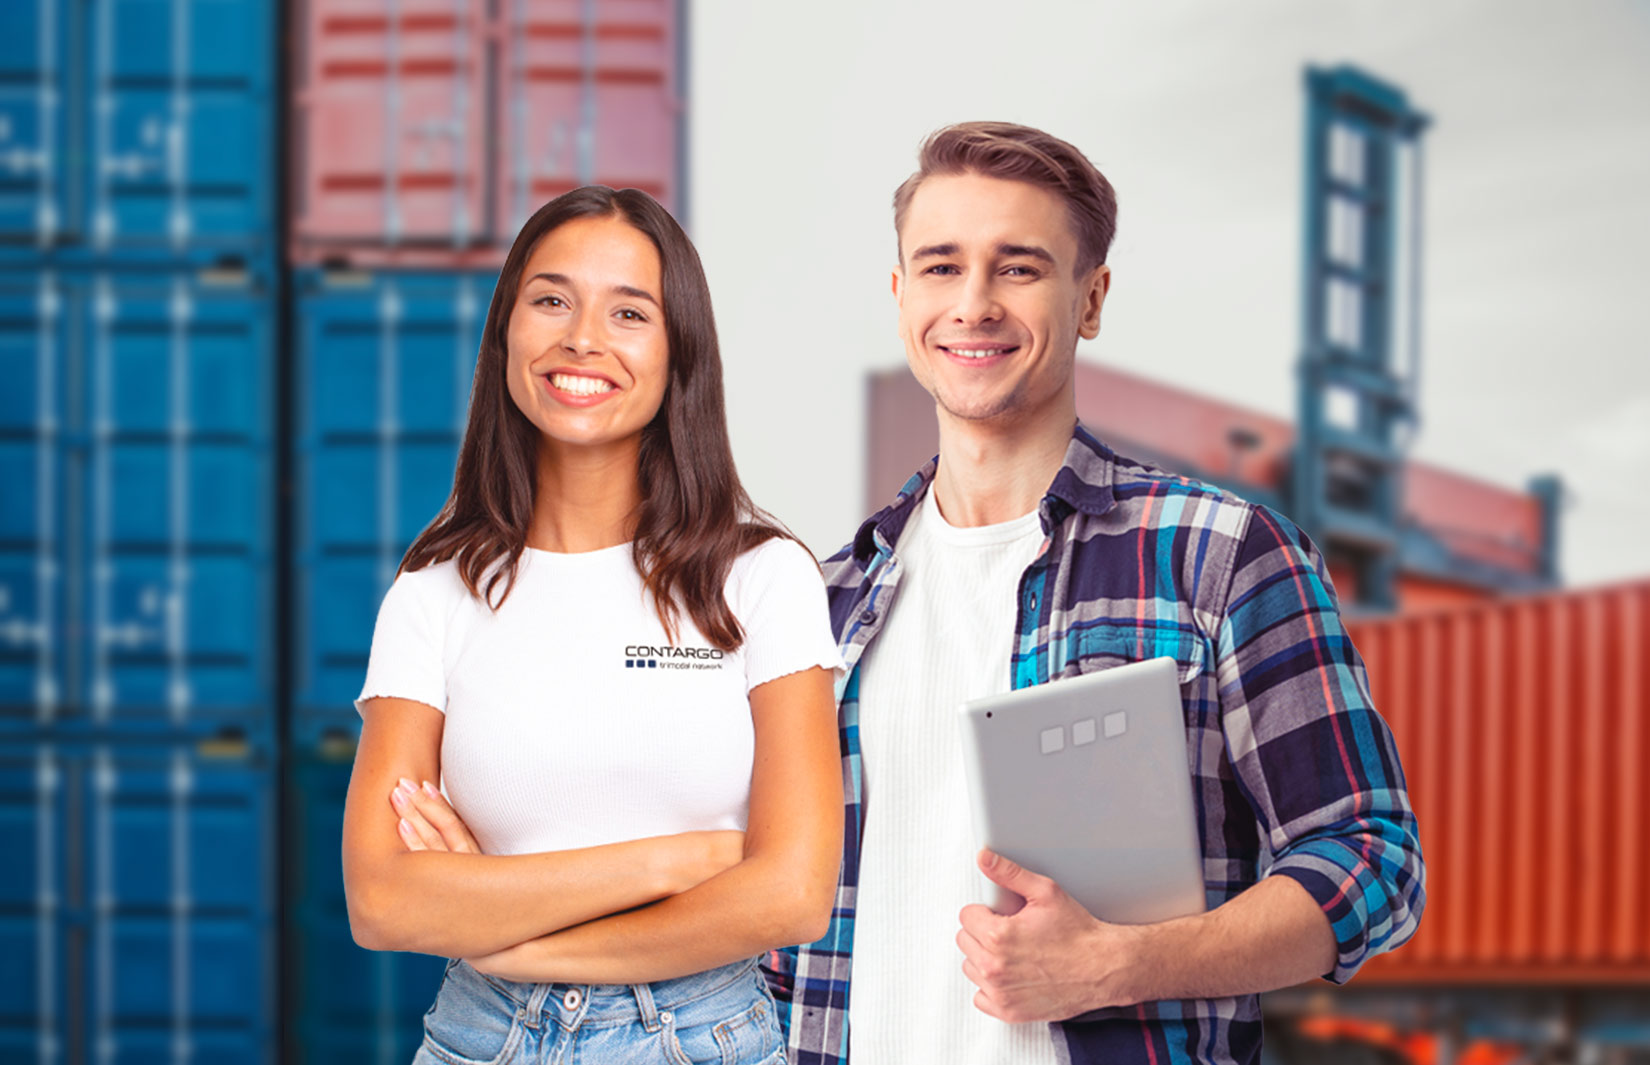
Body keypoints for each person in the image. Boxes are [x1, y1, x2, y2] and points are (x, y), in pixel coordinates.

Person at [764, 122, 1425, 1065]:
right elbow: (779, 936)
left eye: (1020, 267)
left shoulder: (1221, 555)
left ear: (1092, 299)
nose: (976, 304)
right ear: (902, 294)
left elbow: (1372, 858)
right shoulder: (822, 599)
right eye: (942, 267)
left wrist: (1125, 963)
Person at [341, 185, 843, 1065]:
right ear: (506, 332)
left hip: (698, 1038)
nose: (583, 338)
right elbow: (383, 899)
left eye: (630, 312)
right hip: (478, 1039)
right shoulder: (433, 591)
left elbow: (793, 893)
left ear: (679, 353)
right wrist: (682, 859)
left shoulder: (760, 578)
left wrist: (503, 926)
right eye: (551, 300)